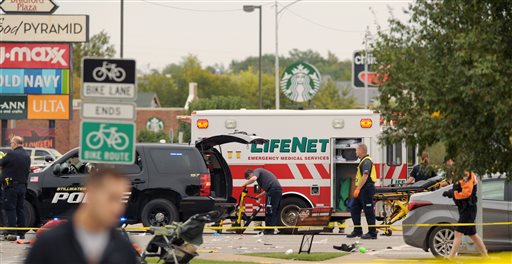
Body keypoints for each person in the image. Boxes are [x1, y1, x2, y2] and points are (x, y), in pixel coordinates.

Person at [25, 168, 138, 264]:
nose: (118, 208)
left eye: (121, 200)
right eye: (111, 198)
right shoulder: (49, 244)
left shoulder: (123, 249)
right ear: (91, 193)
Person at [443, 171, 488, 259]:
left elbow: (466, 193)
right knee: (473, 234)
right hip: (464, 209)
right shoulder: (459, 173)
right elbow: (458, 187)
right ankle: (486, 256)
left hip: (468, 209)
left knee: (458, 233)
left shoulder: (467, 174)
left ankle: (451, 257)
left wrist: (452, 194)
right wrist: (449, 192)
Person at [0, 136, 31, 238]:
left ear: (15, 144)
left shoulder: (11, 154)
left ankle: (12, 232)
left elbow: (1, 162)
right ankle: (21, 233)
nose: (11, 145)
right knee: (20, 209)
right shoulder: (27, 156)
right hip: (22, 186)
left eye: (11, 143)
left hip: (11, 186)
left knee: (10, 208)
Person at [347, 144, 378, 239]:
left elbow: (365, 176)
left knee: (368, 211)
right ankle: (357, 230)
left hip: (366, 189)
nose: (356, 152)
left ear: (361, 151)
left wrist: (358, 188)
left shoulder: (367, 161)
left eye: (356, 150)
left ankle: (372, 233)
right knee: (354, 208)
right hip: (362, 190)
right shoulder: (362, 161)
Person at [242, 168, 282, 235]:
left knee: (269, 210)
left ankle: (268, 231)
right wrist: (259, 196)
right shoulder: (261, 178)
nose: (249, 180)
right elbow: (267, 190)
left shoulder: (257, 171)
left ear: (250, 173)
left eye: (248, 178)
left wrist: (245, 184)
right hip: (276, 190)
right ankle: (271, 229)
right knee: (274, 210)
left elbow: (253, 179)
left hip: (273, 190)